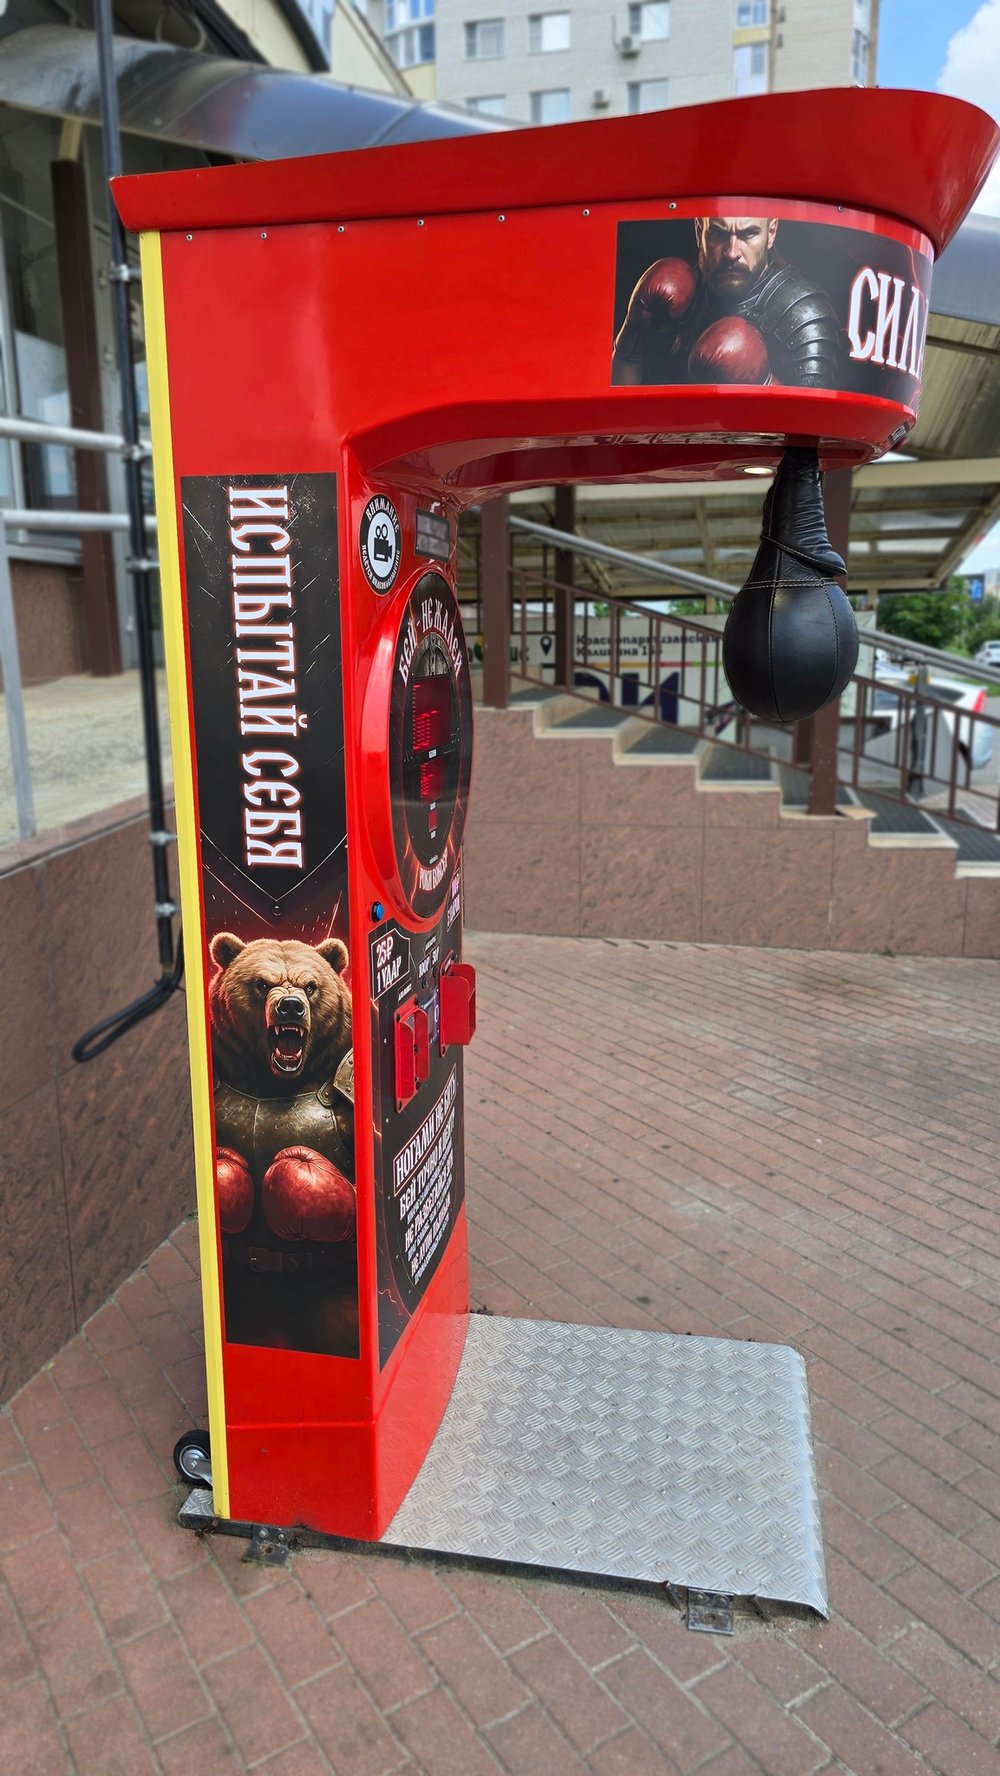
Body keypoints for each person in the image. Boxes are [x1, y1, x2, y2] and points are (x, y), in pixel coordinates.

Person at [611, 215, 843, 389]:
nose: (732, 253)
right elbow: (623, 371)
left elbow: (813, 435)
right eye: (718, 234)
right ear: (699, 230)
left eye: (748, 234)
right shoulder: (680, 291)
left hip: (758, 453)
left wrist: (764, 384)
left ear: (771, 233)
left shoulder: (803, 311)